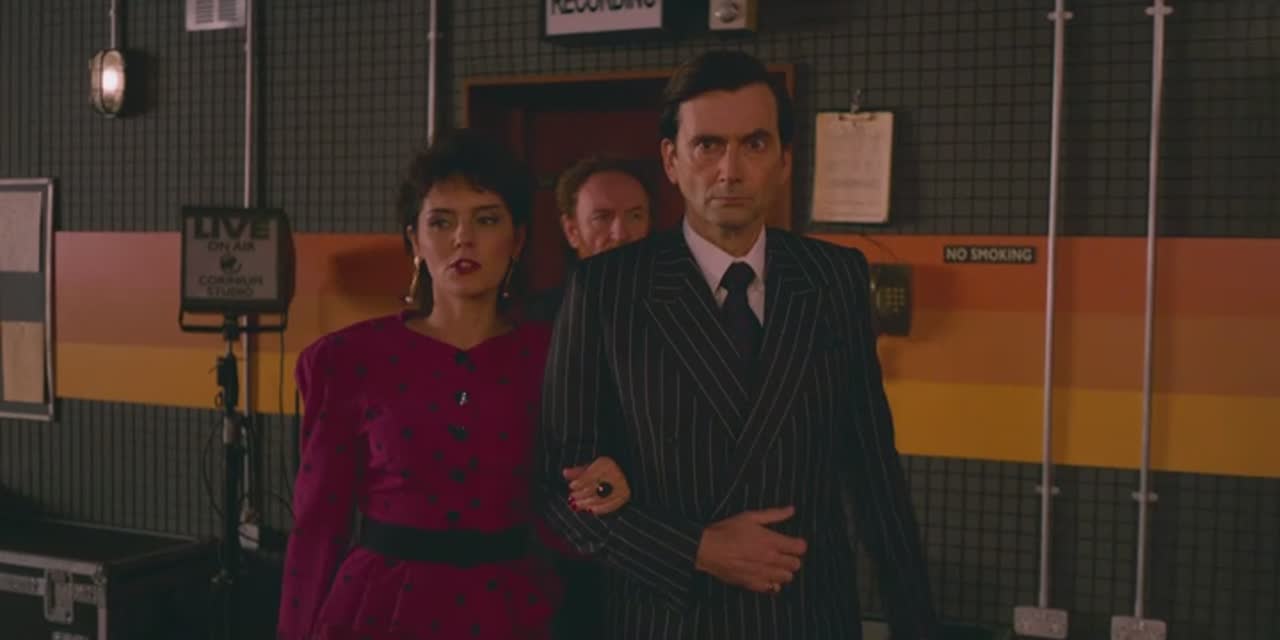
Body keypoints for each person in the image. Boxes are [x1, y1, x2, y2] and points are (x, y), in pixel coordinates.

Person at [537, 51, 937, 639]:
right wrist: (695, 548)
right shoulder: (608, 288)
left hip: (806, 614)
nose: (730, 170)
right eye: (708, 145)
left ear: (784, 160)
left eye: (754, 144)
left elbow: (874, 470)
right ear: (672, 160)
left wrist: (915, 622)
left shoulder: (833, 278)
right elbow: (560, 488)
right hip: (668, 618)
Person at [277, 128, 633, 640]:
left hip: (511, 607)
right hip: (380, 607)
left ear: (517, 240)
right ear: (414, 241)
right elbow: (316, 527)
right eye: (441, 221)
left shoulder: (558, 355)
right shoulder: (347, 359)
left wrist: (604, 488)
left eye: (486, 219)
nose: (463, 238)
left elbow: (571, 506)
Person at [524, 155, 655, 324]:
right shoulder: (541, 320)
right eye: (602, 217)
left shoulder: (674, 311)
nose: (620, 234)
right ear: (572, 231)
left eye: (635, 216)